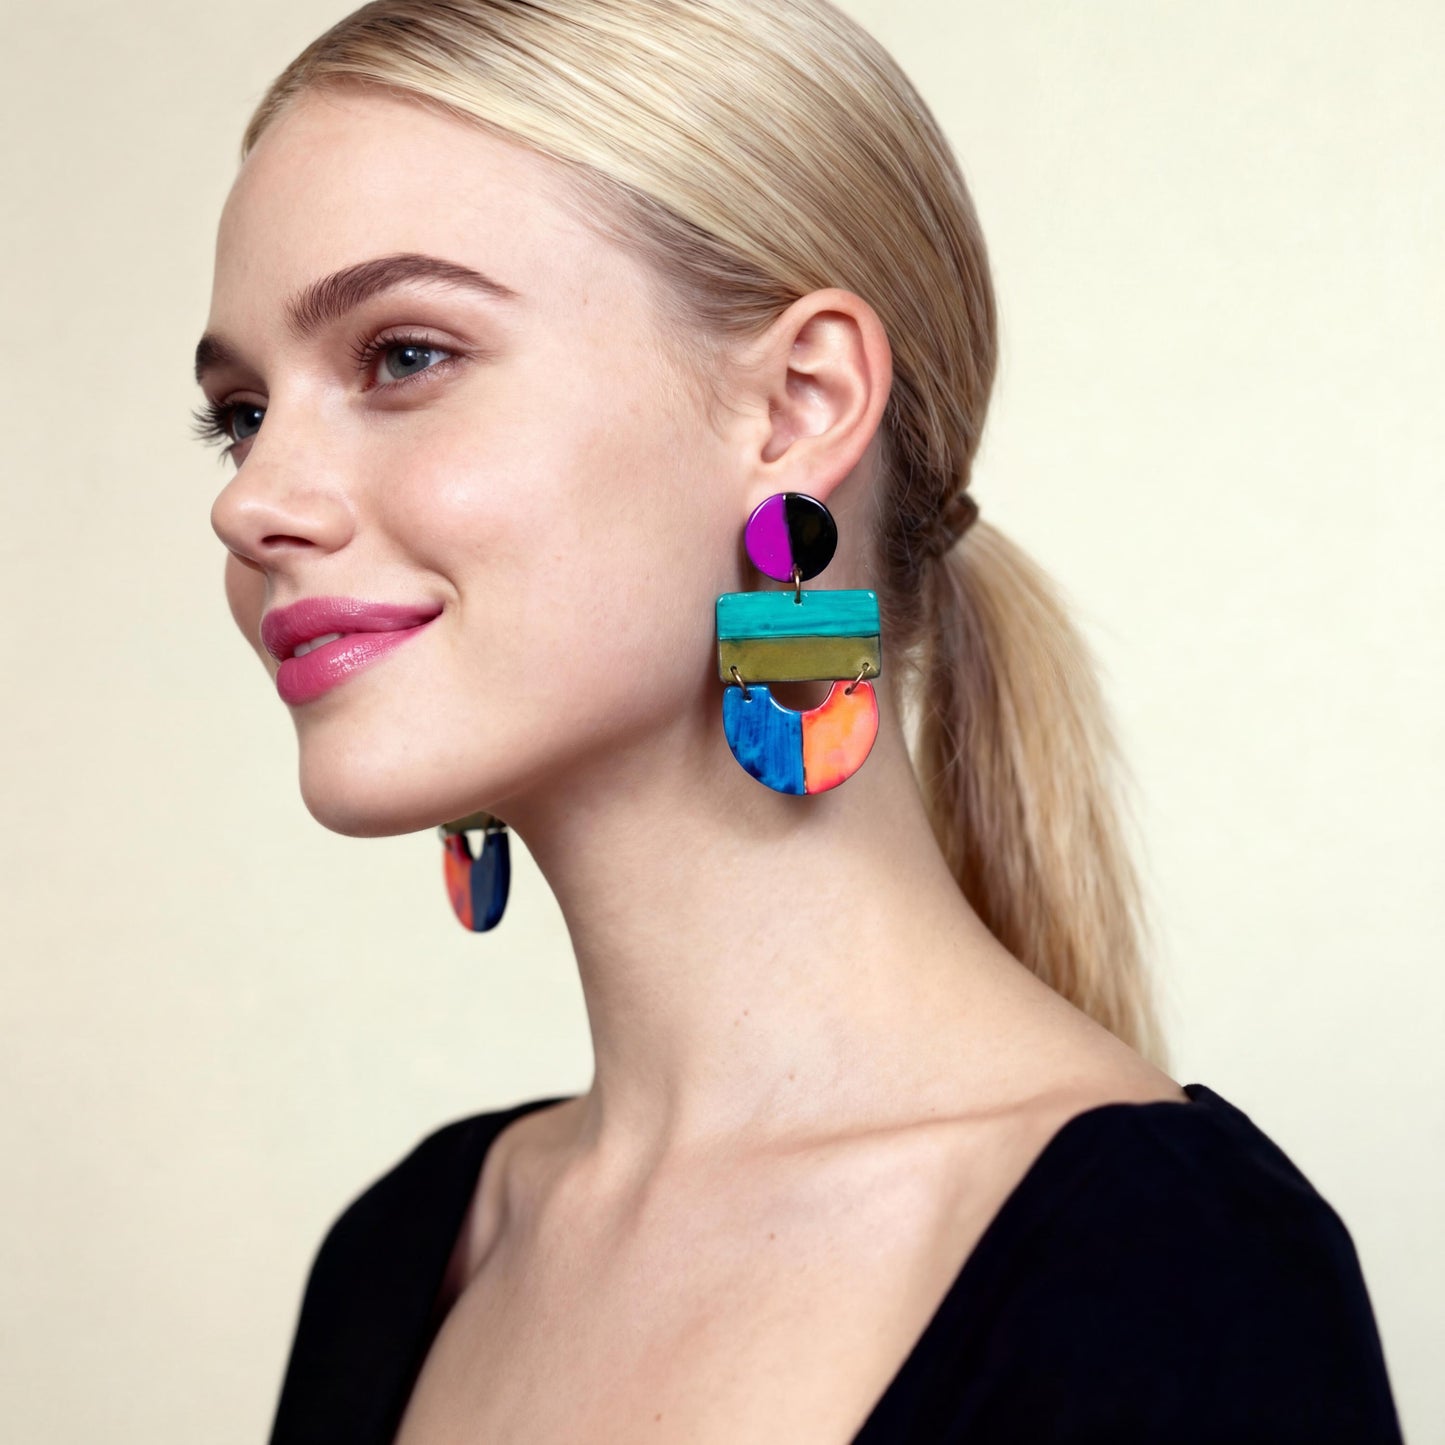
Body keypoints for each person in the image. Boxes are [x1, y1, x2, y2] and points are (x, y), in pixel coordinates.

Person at [193, 0, 1405, 1439]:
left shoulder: (1170, 1268)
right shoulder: (407, 1258)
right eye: (241, 410)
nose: (251, 499)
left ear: (794, 405)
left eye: (403, 356)